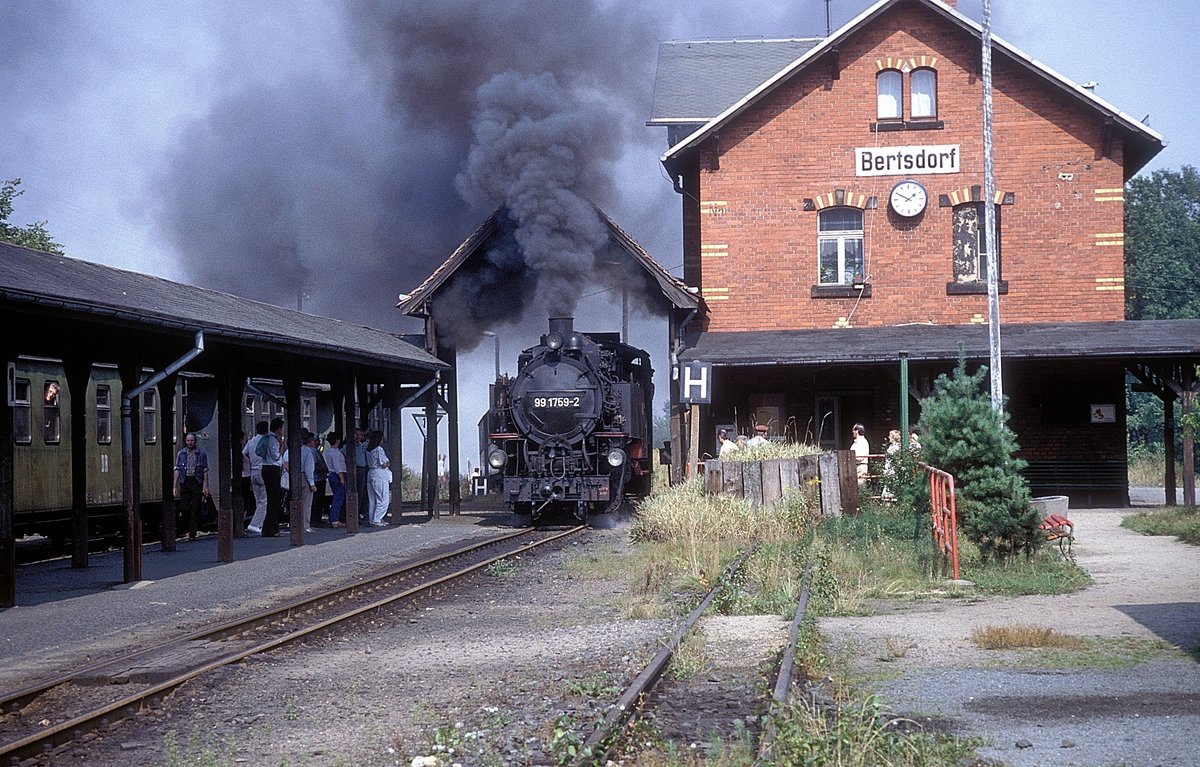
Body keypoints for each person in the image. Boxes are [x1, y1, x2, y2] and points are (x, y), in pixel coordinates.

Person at [173, 432, 210, 539]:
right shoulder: (181, 453)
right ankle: (186, 527)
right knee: (184, 507)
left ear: (195, 441)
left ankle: (192, 532)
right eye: (188, 440)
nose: (190, 442)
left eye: (192, 440)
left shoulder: (201, 453)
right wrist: (174, 486)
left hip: (196, 481)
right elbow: (177, 469)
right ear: (185, 441)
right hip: (185, 481)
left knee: (195, 507)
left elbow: (205, 470)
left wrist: (206, 486)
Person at [243, 420, 270, 534]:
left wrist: (250, 462)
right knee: (264, 500)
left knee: (258, 499)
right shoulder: (266, 441)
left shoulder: (251, 441)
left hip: (253, 471)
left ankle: (261, 524)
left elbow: (244, 453)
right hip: (262, 470)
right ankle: (255, 524)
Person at [260, 417, 285, 536]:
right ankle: (272, 529)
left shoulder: (266, 437)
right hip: (272, 469)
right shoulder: (273, 440)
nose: (282, 430)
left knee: (271, 500)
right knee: (274, 501)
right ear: (278, 428)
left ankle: (267, 528)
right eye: (281, 428)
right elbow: (276, 456)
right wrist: (281, 446)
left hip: (265, 468)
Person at [365, 429, 391, 527]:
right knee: (383, 498)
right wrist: (388, 463)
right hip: (379, 473)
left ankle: (372, 519)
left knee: (372, 499)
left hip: (371, 472)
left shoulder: (368, 450)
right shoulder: (379, 449)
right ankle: (377, 519)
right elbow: (384, 464)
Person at [324, 432, 348, 527]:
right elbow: (338, 466)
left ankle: (335, 518)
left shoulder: (327, 452)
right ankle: (334, 519)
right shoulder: (336, 453)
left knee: (336, 497)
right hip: (338, 474)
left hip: (331, 474)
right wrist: (341, 477)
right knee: (338, 498)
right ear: (337, 440)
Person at [311, 434, 329, 528]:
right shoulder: (313, 452)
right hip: (317, 478)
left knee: (319, 500)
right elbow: (314, 464)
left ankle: (317, 519)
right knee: (317, 501)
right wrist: (323, 468)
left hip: (319, 478)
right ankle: (315, 519)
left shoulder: (316, 451)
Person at [350, 428, 369, 523]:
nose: (359, 437)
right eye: (357, 435)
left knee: (361, 492)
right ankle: (354, 514)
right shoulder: (350, 446)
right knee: (355, 491)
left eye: (361, 435)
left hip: (362, 469)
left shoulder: (361, 446)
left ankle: (359, 513)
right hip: (355, 469)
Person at [882, 429, 902, 500]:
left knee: (892, 486)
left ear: (894, 437)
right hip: (888, 468)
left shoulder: (897, 447)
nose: (888, 437)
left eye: (890, 436)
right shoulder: (891, 446)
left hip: (892, 469)